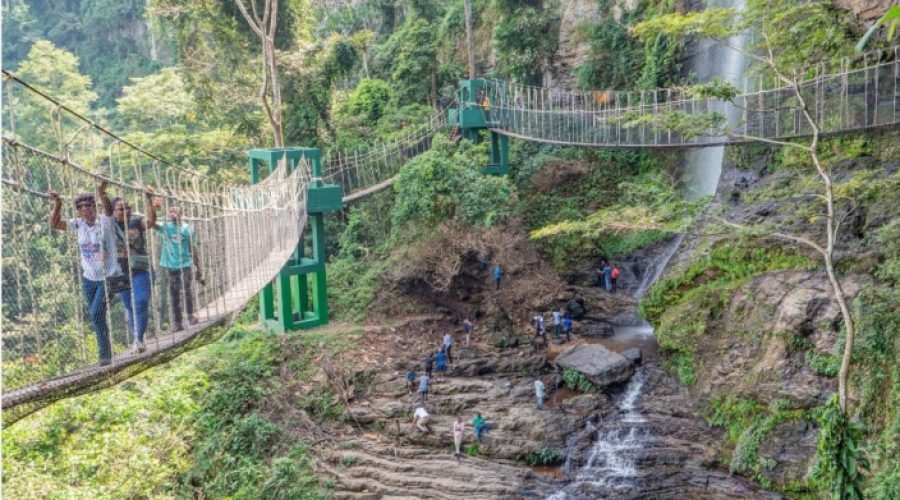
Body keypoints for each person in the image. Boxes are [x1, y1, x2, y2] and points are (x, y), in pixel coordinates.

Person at [49, 182, 122, 366]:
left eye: (89, 205)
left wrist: (101, 193)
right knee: (97, 316)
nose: (85, 209)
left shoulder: (104, 222)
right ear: (78, 211)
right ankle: (106, 352)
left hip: (108, 277)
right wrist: (58, 203)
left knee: (96, 312)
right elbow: (55, 223)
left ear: (94, 207)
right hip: (89, 278)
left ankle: (104, 355)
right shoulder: (78, 224)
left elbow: (108, 210)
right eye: (81, 207)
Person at [109, 192, 156, 353]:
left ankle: (138, 339)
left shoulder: (136, 222)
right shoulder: (108, 226)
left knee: (140, 303)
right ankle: (137, 338)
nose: (126, 211)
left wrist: (149, 200)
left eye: (128, 208)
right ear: (113, 211)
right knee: (129, 306)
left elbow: (151, 221)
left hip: (140, 269)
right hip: (120, 273)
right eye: (121, 209)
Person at [155, 203, 203, 332]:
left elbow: (193, 249)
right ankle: (177, 323)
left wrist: (199, 269)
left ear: (181, 214)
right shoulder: (165, 227)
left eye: (175, 212)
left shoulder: (188, 229)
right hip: (171, 266)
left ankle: (190, 316)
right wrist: (153, 207)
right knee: (174, 293)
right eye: (171, 212)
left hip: (185, 264)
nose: (173, 214)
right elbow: (152, 223)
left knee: (186, 290)